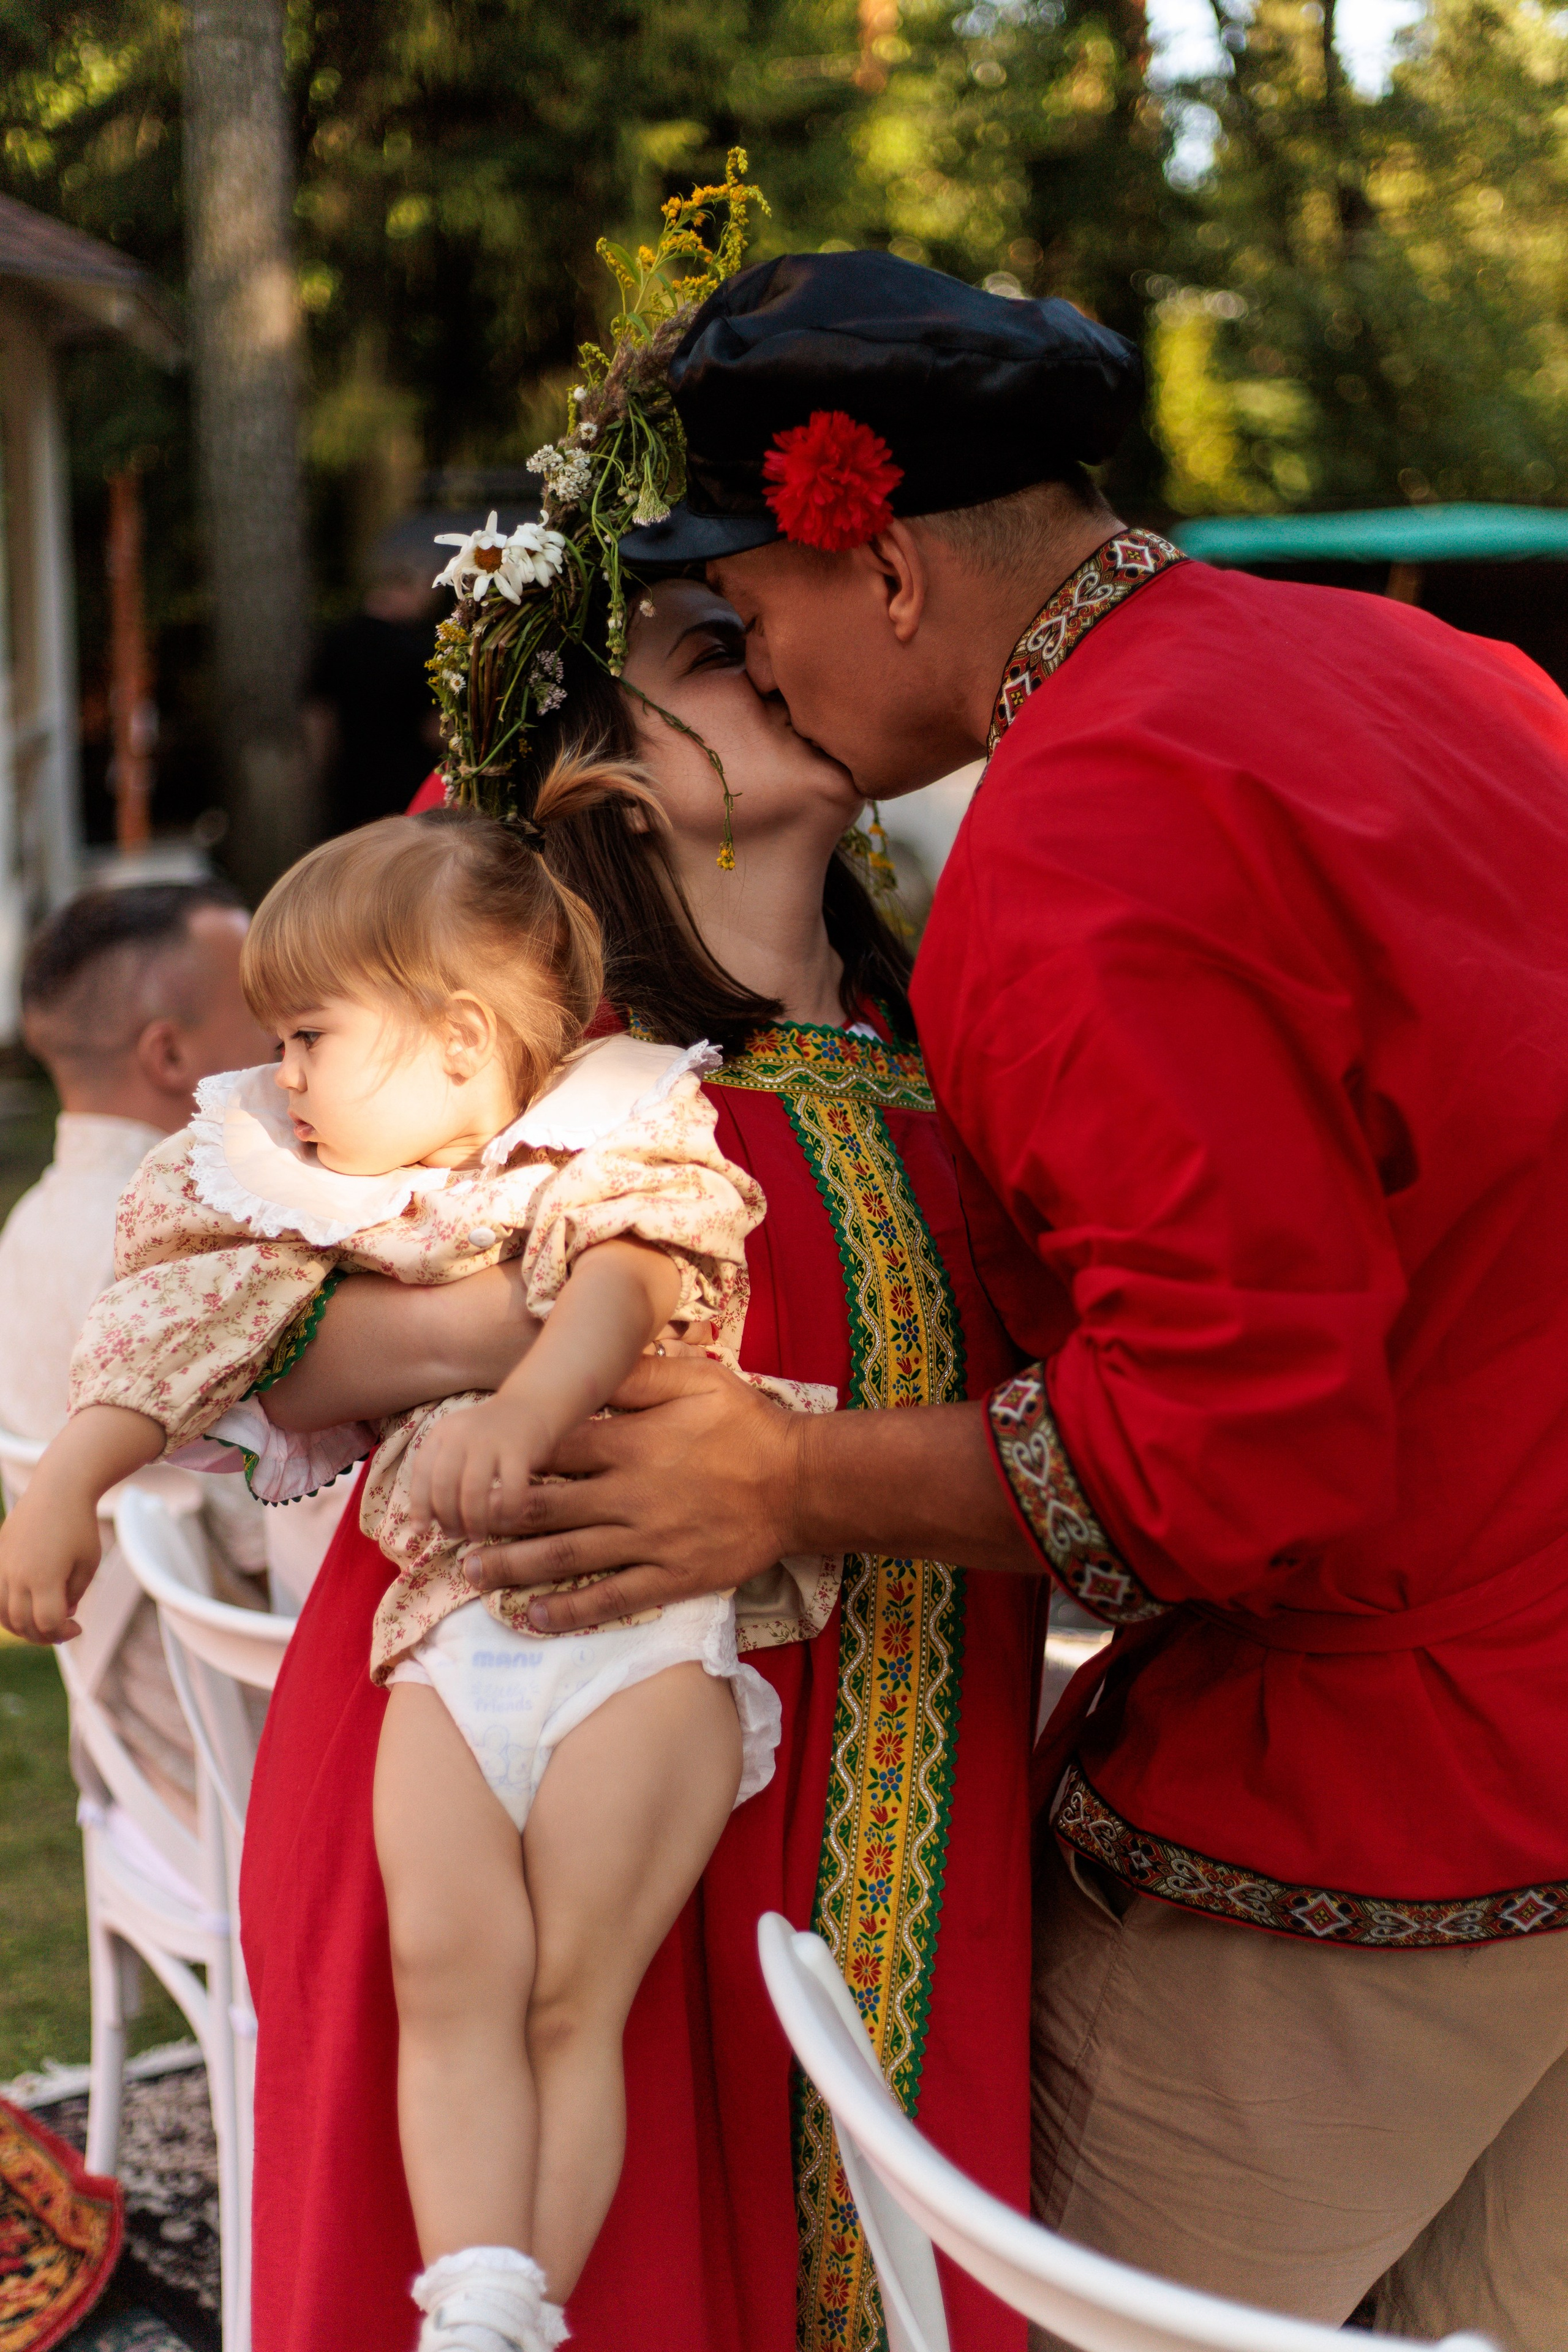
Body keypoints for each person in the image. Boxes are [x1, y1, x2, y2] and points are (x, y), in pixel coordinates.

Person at [464, 249, 1568, 2348]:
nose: (760, 671)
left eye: (747, 606)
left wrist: (781, 1482)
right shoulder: (1420, 672)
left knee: (1018, 2309)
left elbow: (1236, 1439)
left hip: (1405, 1776)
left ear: (876, 566)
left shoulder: (1089, 842)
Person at [237, 622, 1036, 2350]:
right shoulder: (524, 1064)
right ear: (602, 765)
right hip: (521, 1719)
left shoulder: (950, 1045)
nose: (780, 657)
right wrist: (565, 1314)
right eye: (716, 647)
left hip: (876, 1729)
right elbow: (263, 1329)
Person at [0, 798, 825, 2351]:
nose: (282, 1075)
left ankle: (514, 2305)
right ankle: (470, 2294)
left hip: (636, 1645)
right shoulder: (306, 1199)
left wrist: (522, 1408)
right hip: (447, 1643)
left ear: (455, 1041)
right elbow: (178, 1330)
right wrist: (66, 1484)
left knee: (569, 1995)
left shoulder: (617, 1129)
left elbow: (630, 1276)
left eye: (309, 1034)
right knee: (445, 1966)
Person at [0, 882, 281, 1810]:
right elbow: (275, 1543)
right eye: (272, 1016)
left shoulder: (30, 1228)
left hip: (141, 1751)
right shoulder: (184, 1268)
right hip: (242, 1760)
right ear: (169, 1055)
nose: (291, 1048)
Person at [304, 535, 444, 834]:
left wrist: (323, 775)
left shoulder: (337, 640)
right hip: (406, 789)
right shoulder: (418, 652)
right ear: (406, 587)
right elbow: (434, 731)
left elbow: (319, 719)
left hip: (350, 788)